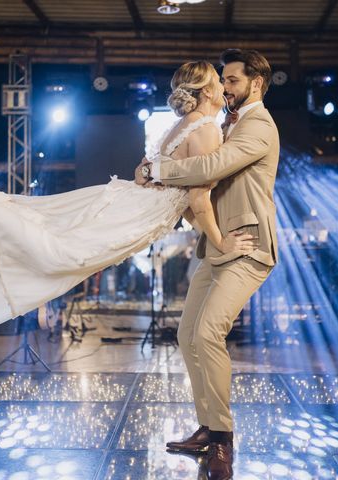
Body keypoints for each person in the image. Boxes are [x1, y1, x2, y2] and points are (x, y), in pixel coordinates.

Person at [0, 60, 258, 332]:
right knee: (62, 254)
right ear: (207, 91)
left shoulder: (184, 126)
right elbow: (198, 197)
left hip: (134, 202)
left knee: (54, 234)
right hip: (136, 213)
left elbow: (163, 183)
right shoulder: (205, 129)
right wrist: (221, 242)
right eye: (220, 80)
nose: (225, 87)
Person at [135, 49, 279, 480]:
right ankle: (207, 426)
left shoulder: (261, 126)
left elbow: (213, 166)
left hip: (246, 246)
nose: (226, 87)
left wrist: (158, 168)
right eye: (223, 81)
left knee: (207, 332)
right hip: (217, 247)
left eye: (232, 80)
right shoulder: (224, 123)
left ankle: (223, 441)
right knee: (186, 335)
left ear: (255, 83)